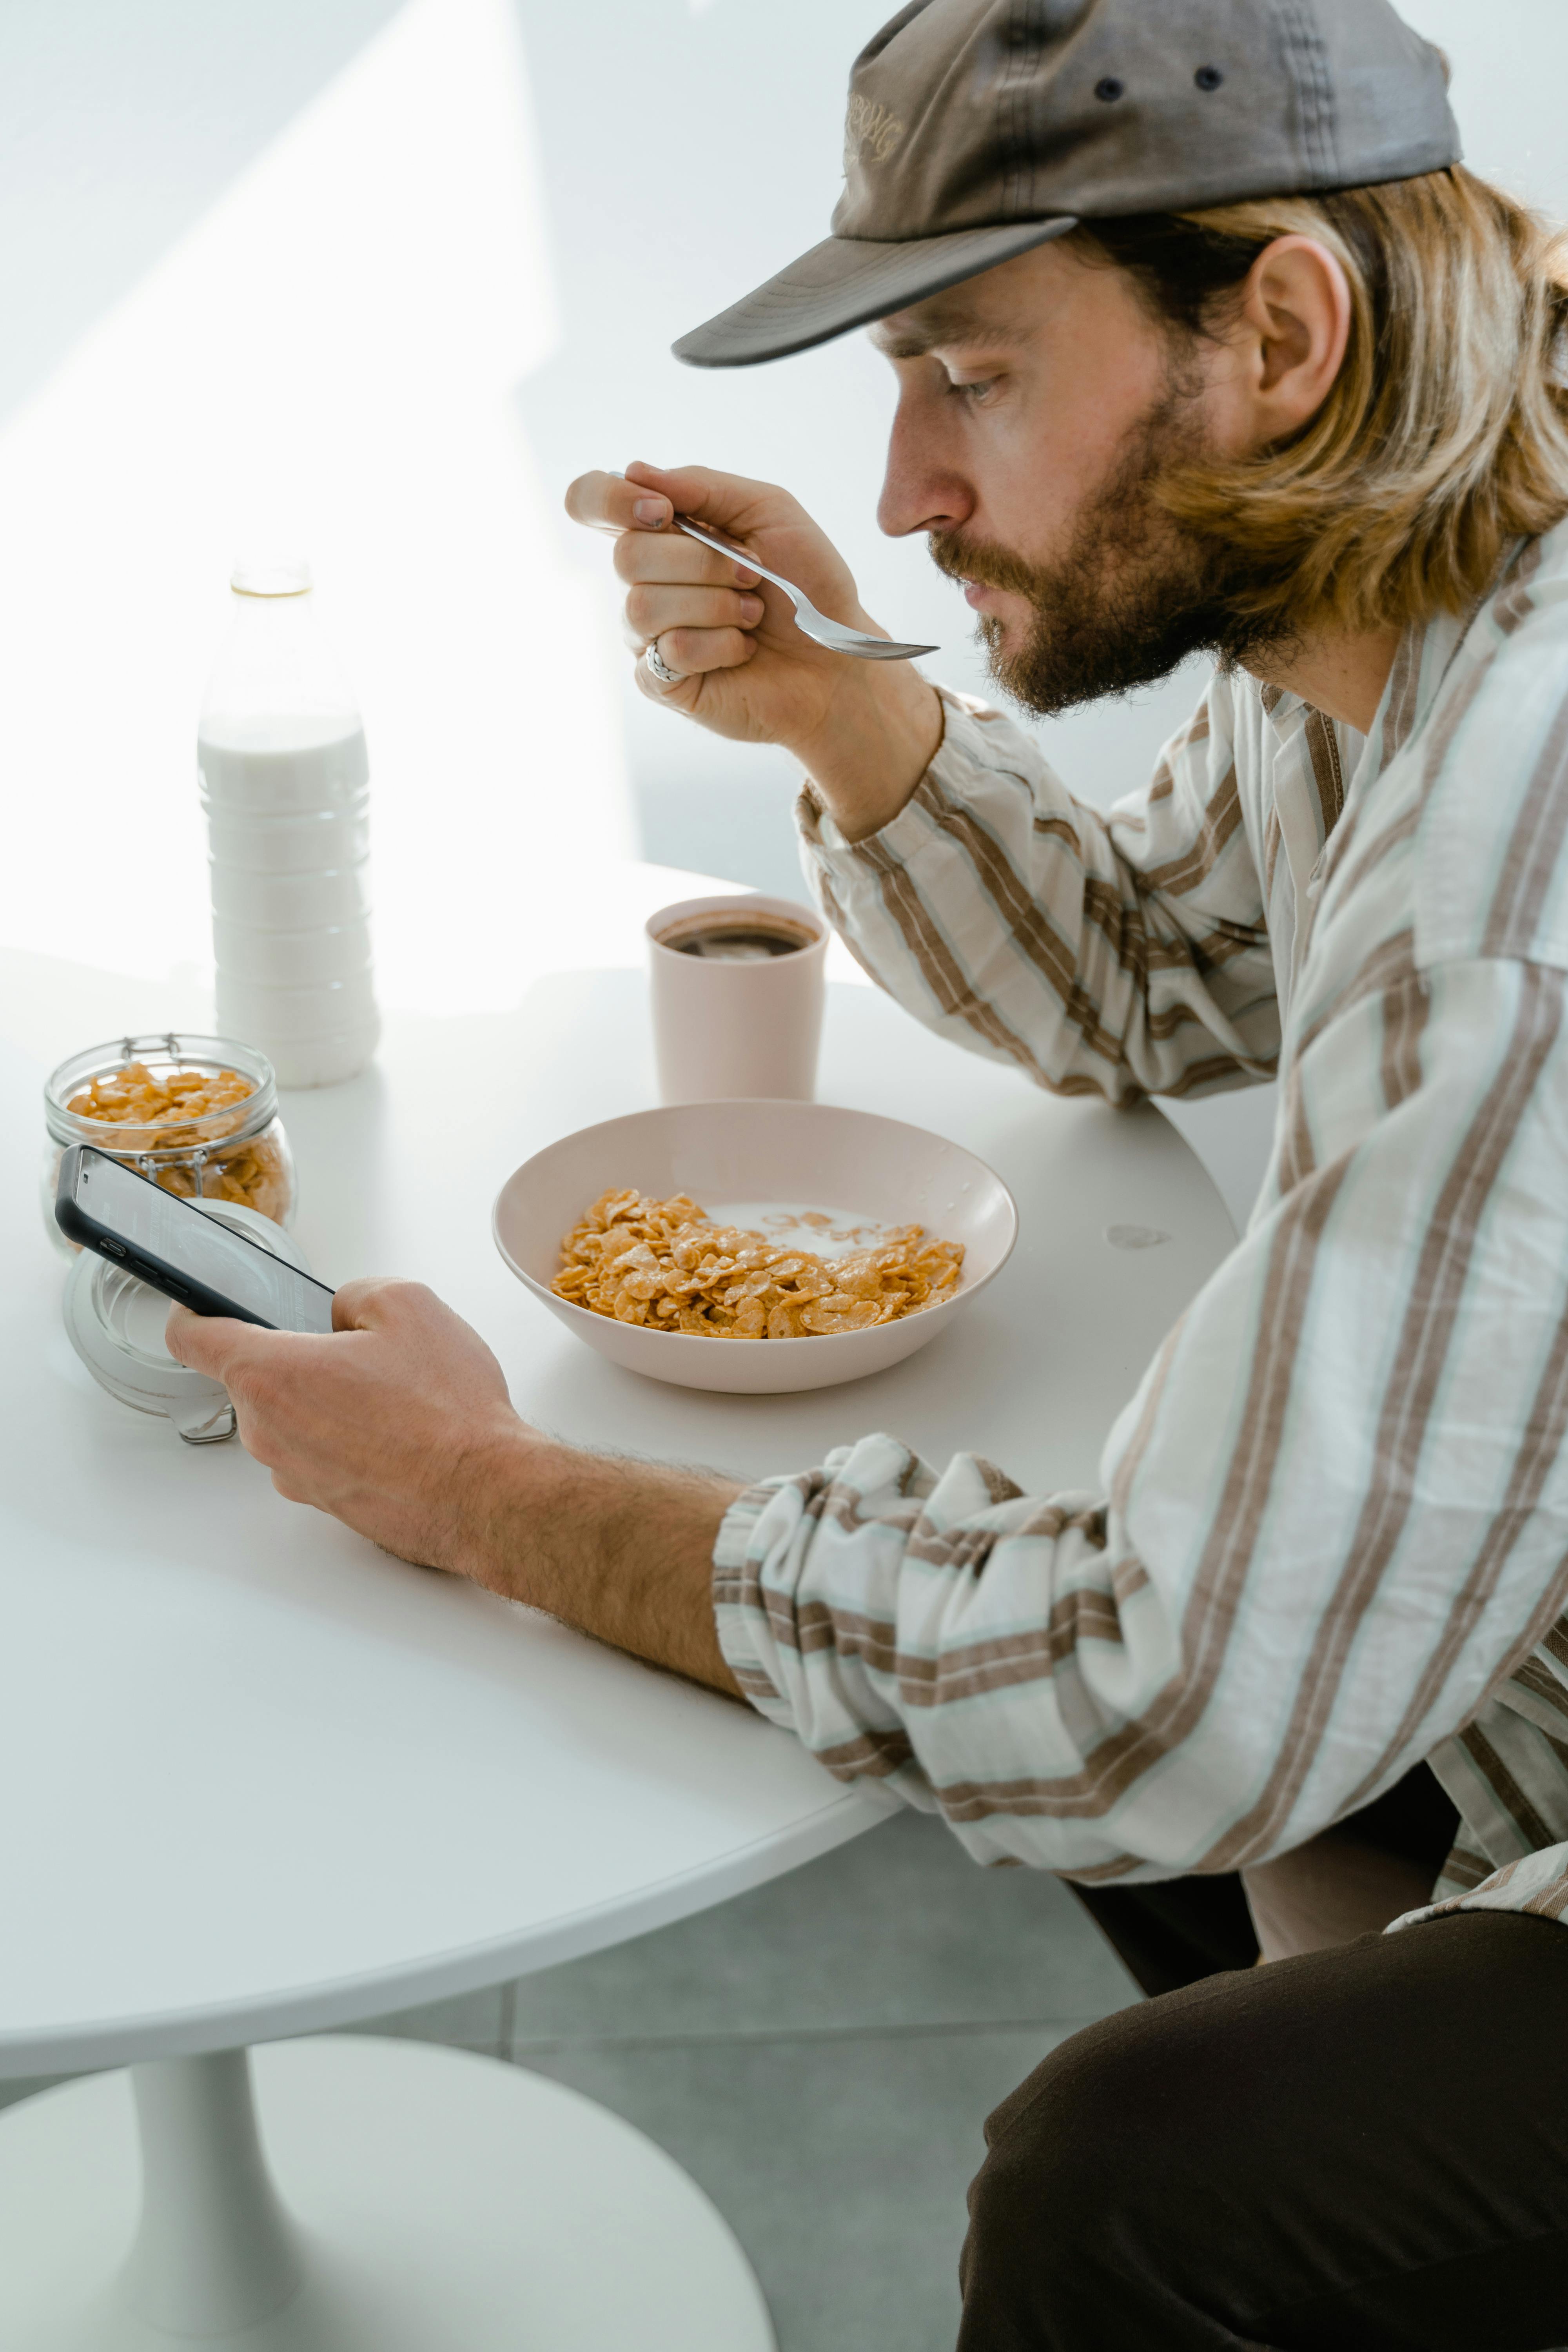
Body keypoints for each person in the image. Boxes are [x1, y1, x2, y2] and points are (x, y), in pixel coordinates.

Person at [170, 0, 1568, 2341]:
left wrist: (481, 1491)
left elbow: (1162, 1705)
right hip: (1503, 1664)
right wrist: (847, 701)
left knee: (1129, 2187)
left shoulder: (1516, 880)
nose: (907, 482)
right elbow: (1157, 972)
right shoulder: (1379, 585)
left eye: (970, 373)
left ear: (1284, 331)